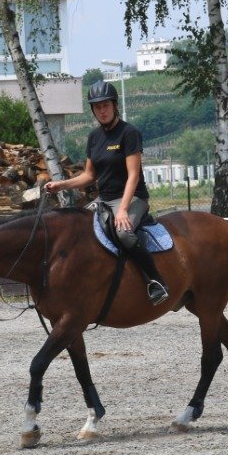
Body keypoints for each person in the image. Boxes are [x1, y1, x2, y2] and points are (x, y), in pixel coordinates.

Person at [45, 80, 169, 305]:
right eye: (97, 107)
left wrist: (122, 210)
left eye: (105, 106)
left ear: (114, 105)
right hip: (105, 199)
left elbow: (133, 175)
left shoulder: (129, 133)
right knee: (77, 228)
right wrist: (60, 185)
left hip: (133, 198)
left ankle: (156, 281)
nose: (102, 111)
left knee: (123, 234)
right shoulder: (94, 137)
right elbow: (89, 176)